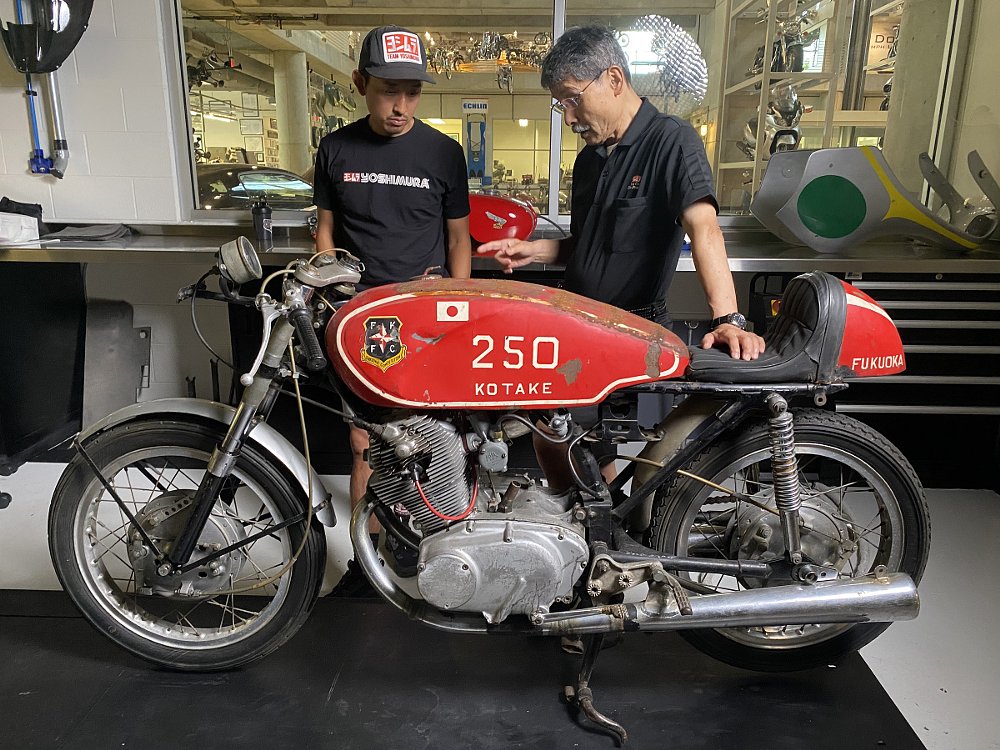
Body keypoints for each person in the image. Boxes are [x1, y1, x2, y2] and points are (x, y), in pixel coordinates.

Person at [478, 26, 765, 491]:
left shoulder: (672, 143)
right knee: (565, 441)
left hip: (630, 331)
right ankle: (596, 531)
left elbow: (704, 228)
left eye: (572, 99)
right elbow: (590, 243)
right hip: (578, 325)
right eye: (560, 104)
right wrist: (535, 250)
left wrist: (728, 317)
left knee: (568, 439)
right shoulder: (591, 158)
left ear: (613, 79)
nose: (568, 117)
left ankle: (603, 528)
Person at [312, 25, 472, 528]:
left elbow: (458, 240)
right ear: (360, 83)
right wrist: (336, 298)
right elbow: (325, 230)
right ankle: (368, 555)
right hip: (361, 312)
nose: (401, 106)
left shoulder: (444, 153)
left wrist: (458, 307)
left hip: (426, 312)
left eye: (413, 92)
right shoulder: (335, 149)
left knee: (437, 431)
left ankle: (441, 542)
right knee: (365, 438)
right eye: (388, 91)